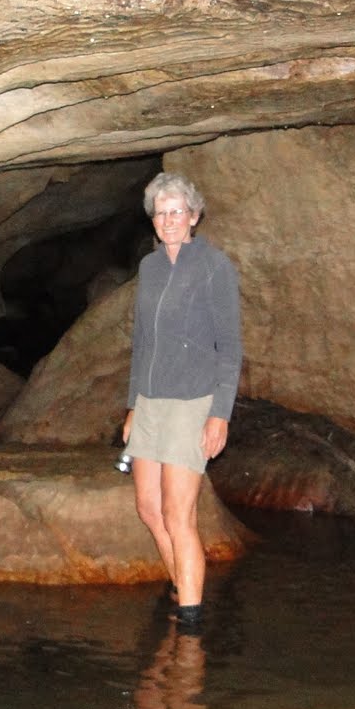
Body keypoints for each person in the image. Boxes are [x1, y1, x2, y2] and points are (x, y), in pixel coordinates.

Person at [122, 172, 242, 631]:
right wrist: (133, 405)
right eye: (161, 213)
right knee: (149, 509)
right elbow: (141, 343)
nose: (169, 220)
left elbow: (229, 347)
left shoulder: (213, 266)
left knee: (178, 513)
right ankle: (180, 585)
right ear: (153, 220)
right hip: (151, 402)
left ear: (193, 216)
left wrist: (220, 414)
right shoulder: (149, 269)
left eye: (177, 212)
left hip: (193, 401)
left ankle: (190, 621)